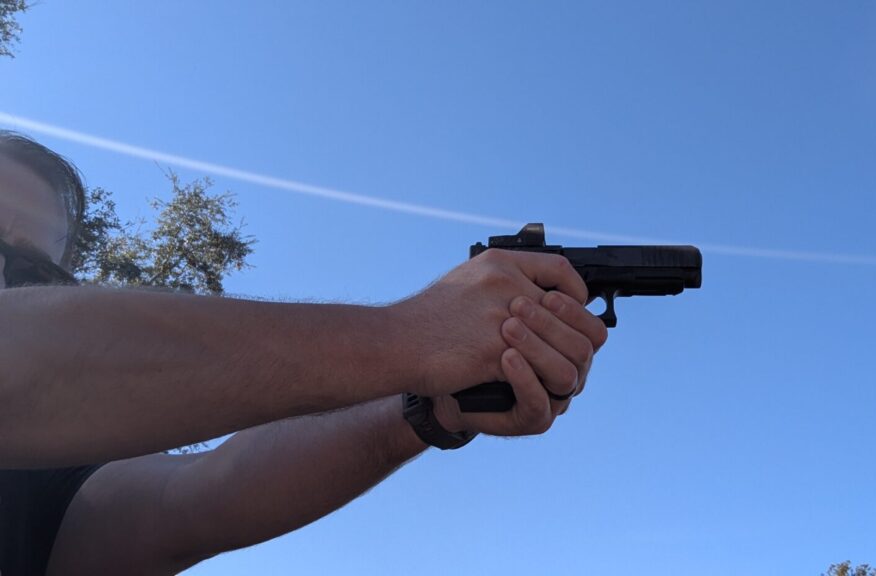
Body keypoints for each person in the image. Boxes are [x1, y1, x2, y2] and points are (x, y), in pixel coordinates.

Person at [0, 130, 608, 575]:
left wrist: (430, 407)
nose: (12, 286)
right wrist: (413, 337)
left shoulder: (42, 470)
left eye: (32, 274)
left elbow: (200, 497)